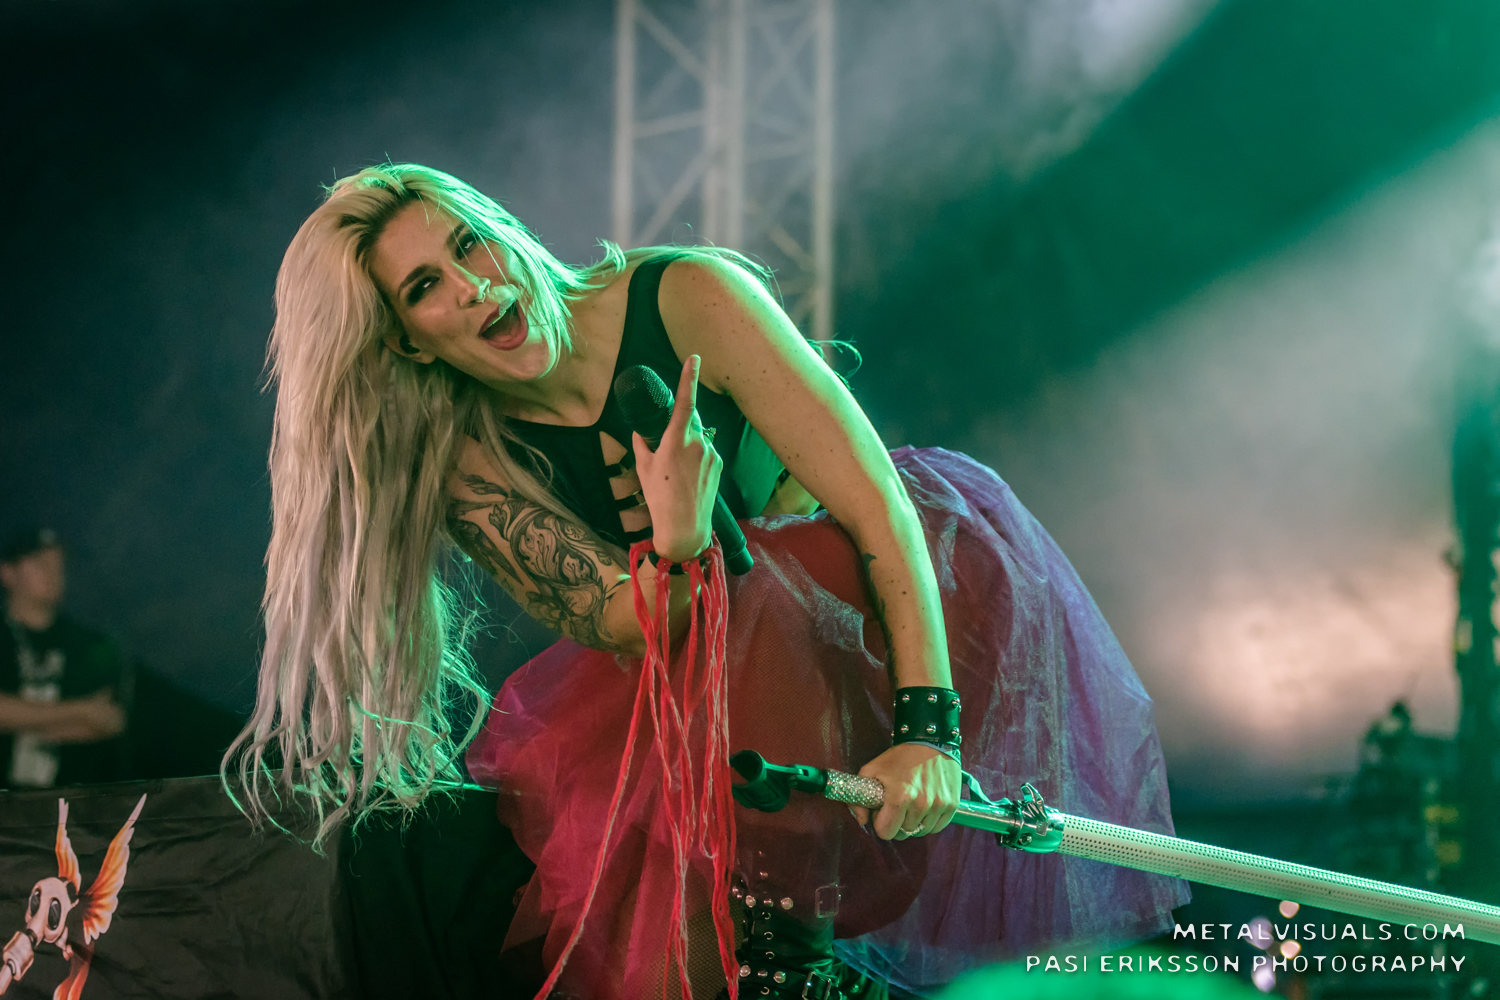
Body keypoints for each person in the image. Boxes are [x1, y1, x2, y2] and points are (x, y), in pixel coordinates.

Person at [232, 164, 1188, 999]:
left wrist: (925, 732)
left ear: (504, 229)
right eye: (427, 287)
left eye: (469, 244)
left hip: (884, 605)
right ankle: (796, 962)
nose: (476, 286)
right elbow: (625, 622)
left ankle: (790, 946)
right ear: (407, 341)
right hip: (701, 671)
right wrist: (682, 537)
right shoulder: (467, 452)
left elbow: (877, 509)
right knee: (657, 960)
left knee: (764, 589)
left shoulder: (686, 295)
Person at [0, 527, 127, 788]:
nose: (53, 572)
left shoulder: (88, 646)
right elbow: (91, 713)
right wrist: (80, 710)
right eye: (40, 563)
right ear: (8, 573)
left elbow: (109, 720)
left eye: (58, 564)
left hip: (68, 802)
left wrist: (19, 718)